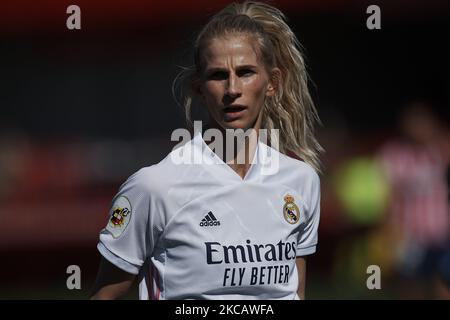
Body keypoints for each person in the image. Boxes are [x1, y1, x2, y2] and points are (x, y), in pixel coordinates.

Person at [90, 0, 323, 300]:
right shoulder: (155, 187)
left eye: (246, 72)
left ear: (272, 83)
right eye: (218, 76)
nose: (232, 89)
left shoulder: (300, 181)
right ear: (199, 87)